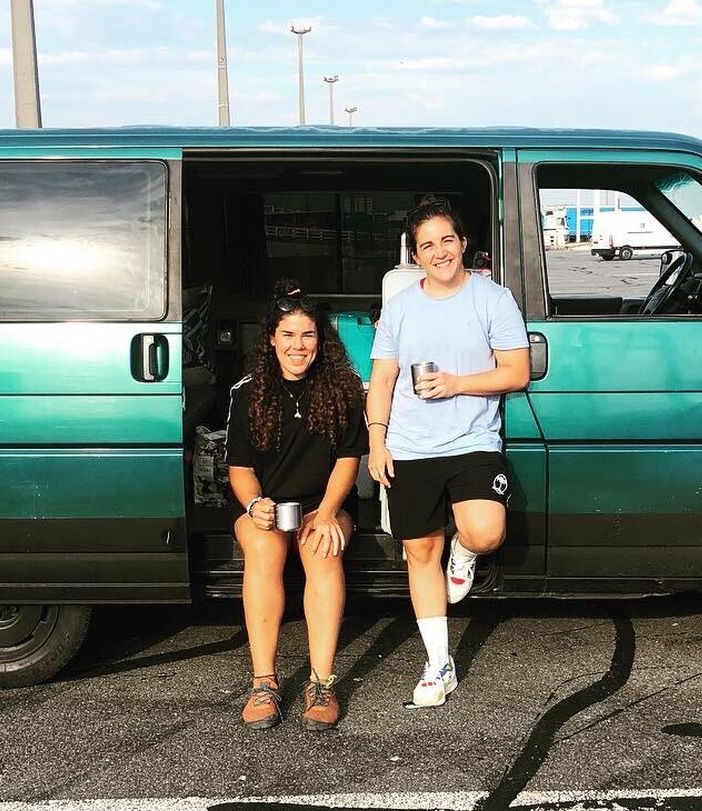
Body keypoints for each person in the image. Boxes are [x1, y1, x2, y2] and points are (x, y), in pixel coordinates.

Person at [366, 197, 530, 708]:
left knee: (485, 530)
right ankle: (439, 664)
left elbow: (516, 373)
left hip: (472, 441)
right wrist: (376, 440)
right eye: (426, 245)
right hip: (410, 447)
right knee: (419, 552)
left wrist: (457, 384)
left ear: (463, 243)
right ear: (416, 255)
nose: (439, 252)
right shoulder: (400, 307)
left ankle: (464, 555)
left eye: (446, 240)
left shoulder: (492, 298)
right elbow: (383, 378)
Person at [226, 283, 367, 730]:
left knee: (322, 548)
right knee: (265, 550)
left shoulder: (342, 388)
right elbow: (240, 468)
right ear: (271, 338)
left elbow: (349, 460)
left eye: (307, 335)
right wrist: (253, 505)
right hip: (266, 508)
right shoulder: (247, 392)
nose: (298, 345)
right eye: (288, 335)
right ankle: (263, 683)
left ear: (320, 341)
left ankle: (321, 683)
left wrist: (326, 512)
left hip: (322, 503)